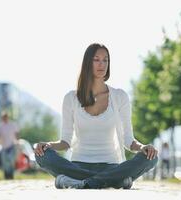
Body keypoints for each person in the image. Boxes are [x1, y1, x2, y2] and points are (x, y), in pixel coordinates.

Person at [34, 43, 158, 189]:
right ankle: (114, 181)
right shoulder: (71, 98)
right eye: (97, 59)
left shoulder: (119, 96)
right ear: (88, 63)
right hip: (78, 165)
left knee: (152, 157)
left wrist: (144, 147)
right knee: (41, 154)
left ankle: (82, 182)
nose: (102, 64)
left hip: (111, 167)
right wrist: (48, 145)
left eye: (106, 60)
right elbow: (65, 142)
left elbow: (128, 140)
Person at [0, 111, 19, 179]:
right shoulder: (1, 126)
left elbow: (16, 133)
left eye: (5, 117)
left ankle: (11, 175)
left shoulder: (12, 125)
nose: (4, 118)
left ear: (7, 117)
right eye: (3, 117)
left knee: (11, 161)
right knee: (5, 162)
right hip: (4, 146)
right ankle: (6, 176)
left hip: (11, 145)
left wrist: (17, 141)